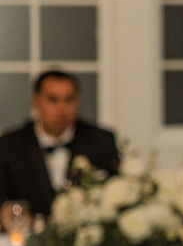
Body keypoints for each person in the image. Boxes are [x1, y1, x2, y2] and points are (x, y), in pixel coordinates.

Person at [0, 70, 119, 218]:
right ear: (36, 102)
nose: (62, 108)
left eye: (69, 99)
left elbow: (115, 194)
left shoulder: (100, 142)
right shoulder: (10, 145)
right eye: (53, 100)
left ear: (78, 102)